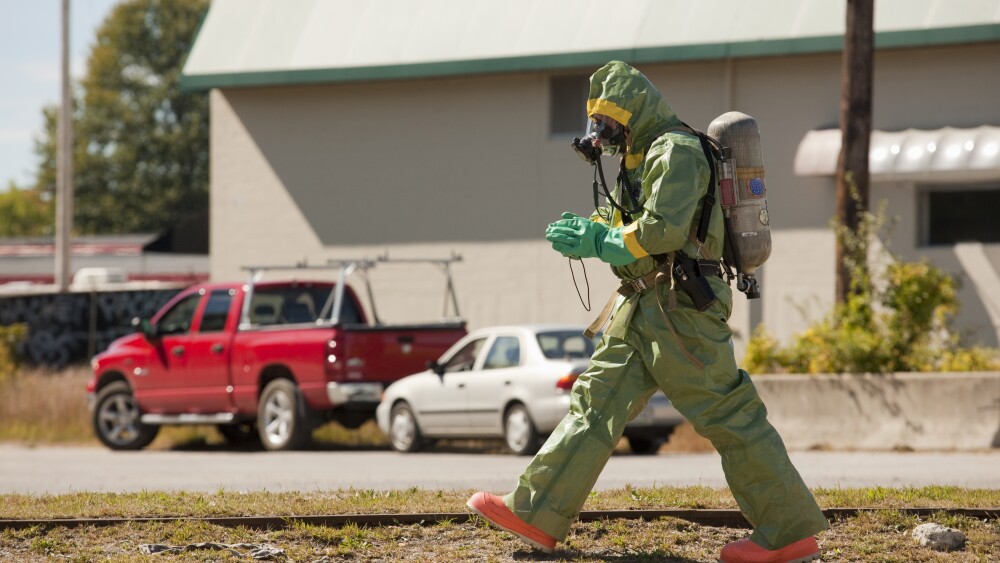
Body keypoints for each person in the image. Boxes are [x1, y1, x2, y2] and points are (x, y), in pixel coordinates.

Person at [466, 61, 829, 563]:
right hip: (644, 303)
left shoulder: (676, 150)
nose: (605, 136)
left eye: (612, 124)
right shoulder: (640, 156)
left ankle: (788, 531)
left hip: (680, 307)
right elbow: (626, 221)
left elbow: (662, 231)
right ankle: (536, 512)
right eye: (600, 124)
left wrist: (599, 240)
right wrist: (591, 228)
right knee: (594, 406)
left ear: (635, 111)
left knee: (728, 413)